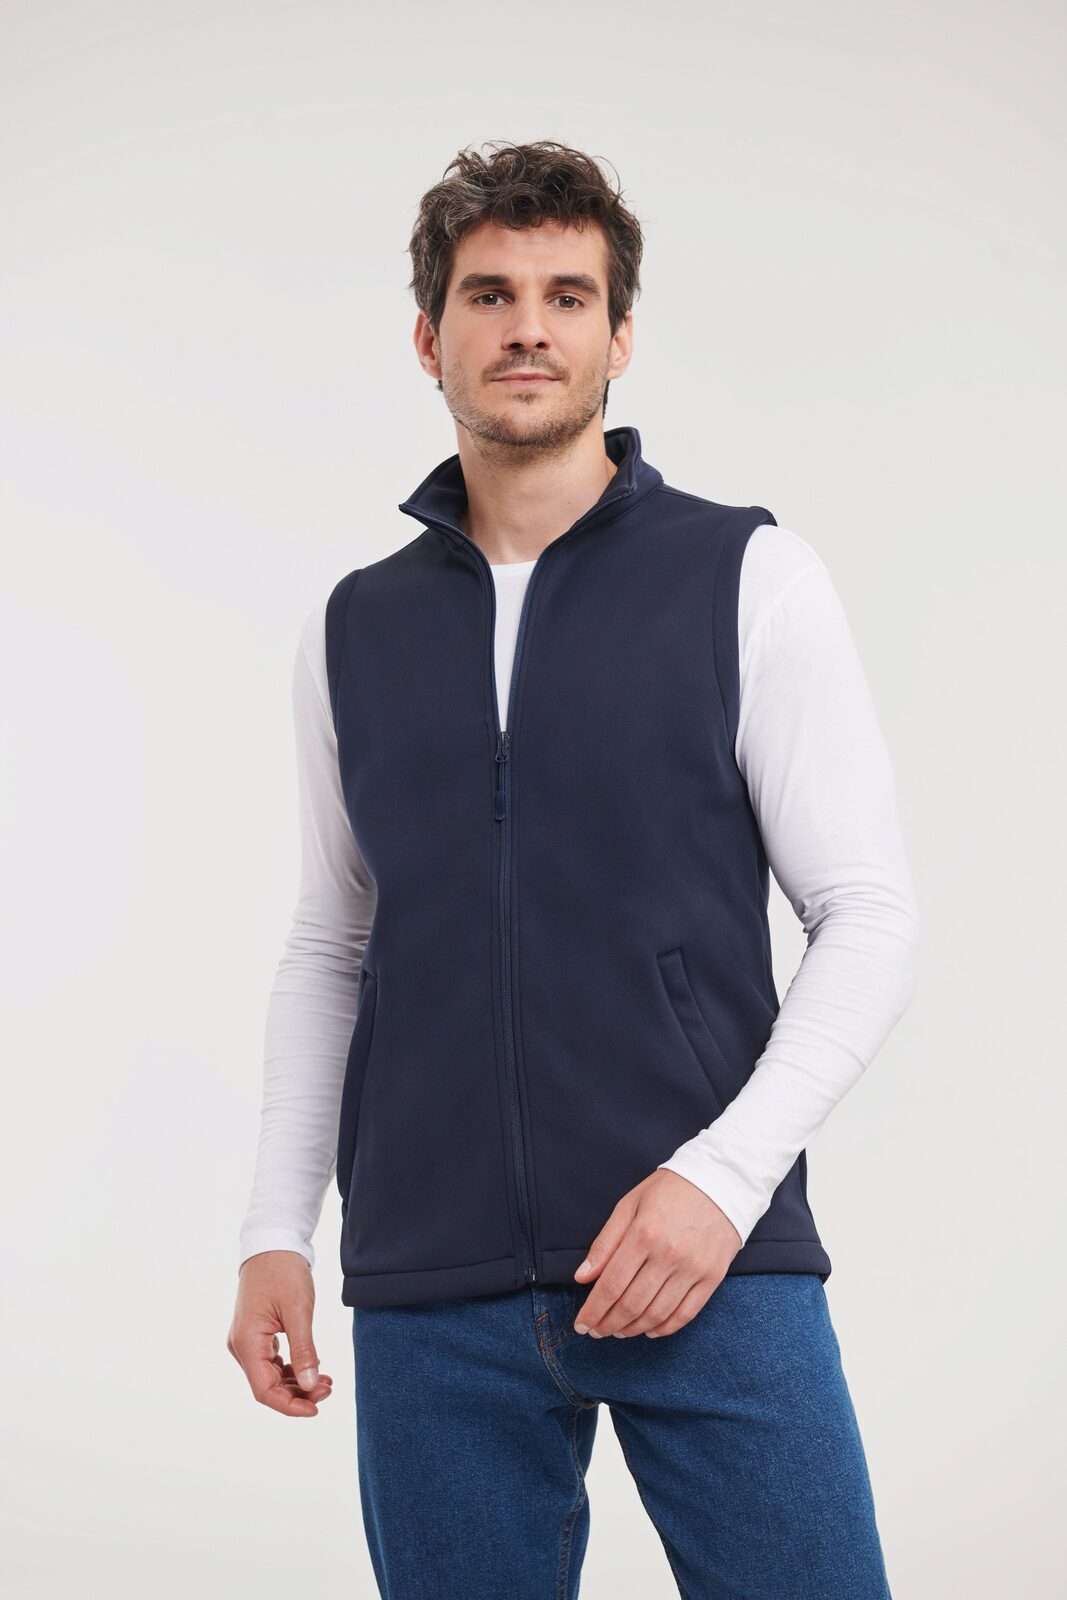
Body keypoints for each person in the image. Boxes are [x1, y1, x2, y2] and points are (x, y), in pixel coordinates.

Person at [227, 140, 921, 1598]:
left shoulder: (746, 577)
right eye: (489, 295)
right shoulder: (354, 628)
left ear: (620, 334)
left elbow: (867, 916)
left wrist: (720, 1181)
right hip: (433, 1284)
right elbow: (333, 943)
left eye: (566, 295)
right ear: (430, 338)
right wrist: (275, 1232)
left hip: (706, 1257)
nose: (527, 328)